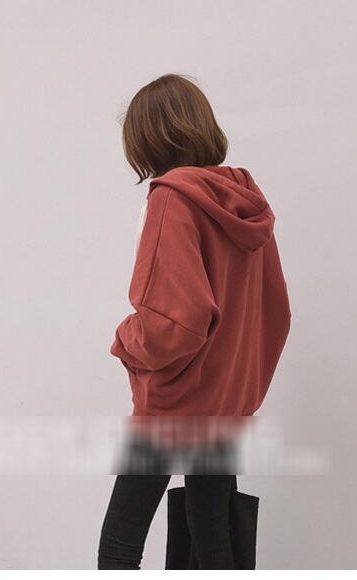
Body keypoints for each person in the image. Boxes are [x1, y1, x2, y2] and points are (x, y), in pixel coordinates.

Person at [97, 74, 291, 570]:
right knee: (212, 535)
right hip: (225, 400)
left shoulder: (172, 198)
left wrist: (125, 339)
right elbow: (277, 314)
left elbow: (175, 322)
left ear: (149, 137)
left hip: (175, 402)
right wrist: (240, 383)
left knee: (120, 544)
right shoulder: (246, 200)